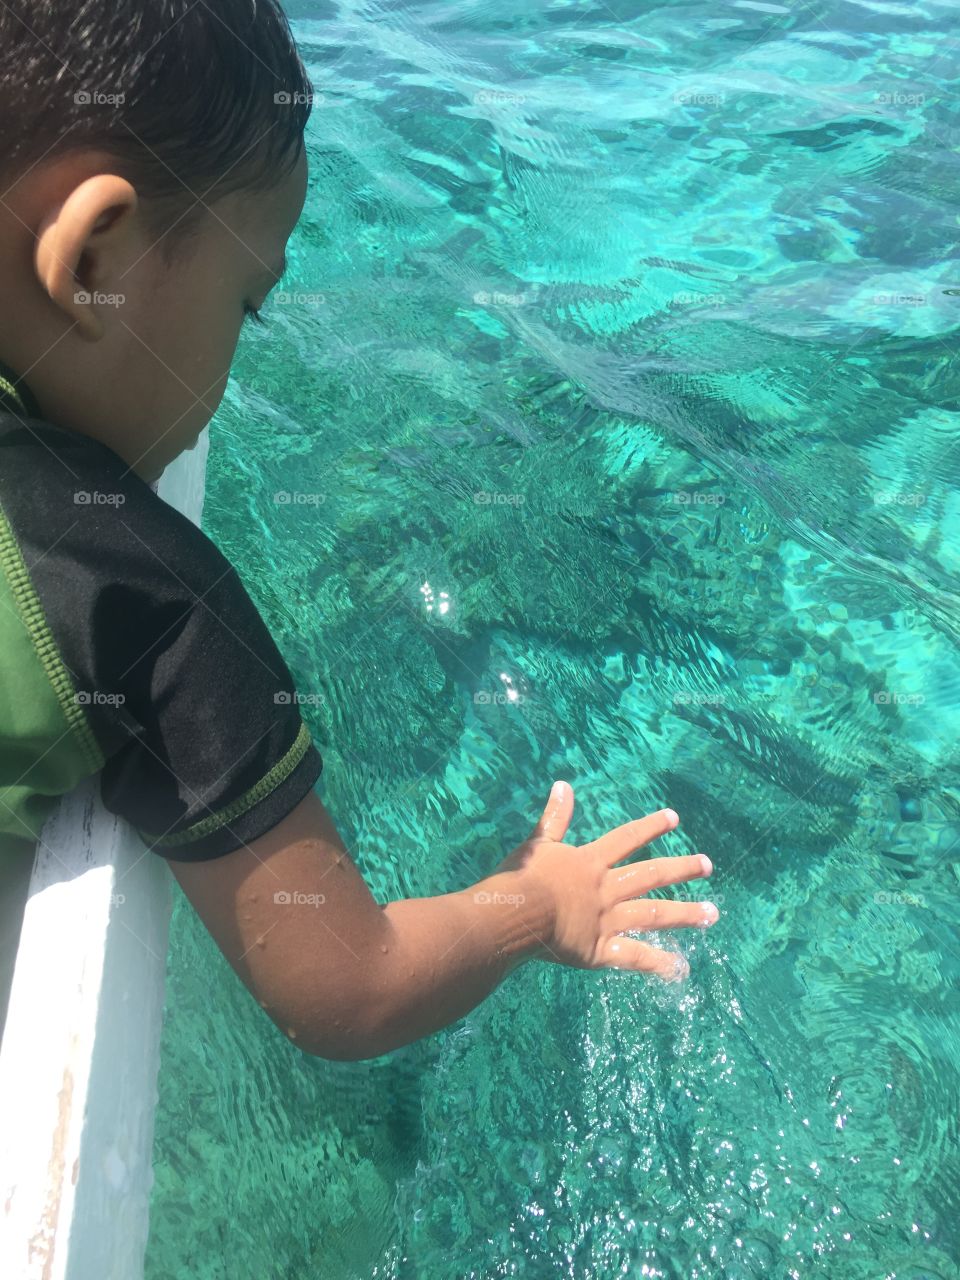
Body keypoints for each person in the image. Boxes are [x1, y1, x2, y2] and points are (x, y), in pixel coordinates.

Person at [0, 0, 719, 1061]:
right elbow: (349, 982)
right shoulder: (137, 593)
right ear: (95, 259)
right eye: (246, 304)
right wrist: (537, 906)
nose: (232, 369)